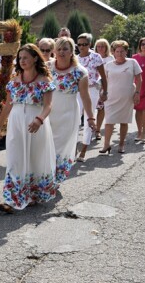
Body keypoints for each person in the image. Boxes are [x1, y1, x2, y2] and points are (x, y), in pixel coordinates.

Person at [0, 44, 56, 213]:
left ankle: (33, 194)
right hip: (16, 122)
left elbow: (48, 106)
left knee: (35, 157)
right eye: (20, 58)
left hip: (35, 123)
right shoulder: (14, 81)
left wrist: (39, 119)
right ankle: (12, 199)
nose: (22, 61)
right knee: (15, 158)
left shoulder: (44, 80)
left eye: (25, 57)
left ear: (35, 58)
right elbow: (7, 106)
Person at [48, 37, 96, 183]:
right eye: (59, 49)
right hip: (48, 112)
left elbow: (85, 97)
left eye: (65, 49)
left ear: (71, 51)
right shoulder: (46, 67)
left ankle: (55, 178)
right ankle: (45, 176)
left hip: (68, 113)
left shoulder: (80, 71)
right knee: (46, 145)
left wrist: (90, 117)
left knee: (60, 148)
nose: (62, 52)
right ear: (54, 51)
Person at [100, 40, 142, 154]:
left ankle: (121, 144)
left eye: (122, 51)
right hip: (110, 97)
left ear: (126, 52)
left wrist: (137, 93)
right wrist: (102, 93)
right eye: (117, 51)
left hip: (127, 97)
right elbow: (105, 81)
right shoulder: (108, 65)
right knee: (109, 121)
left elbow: (139, 79)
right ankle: (106, 145)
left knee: (124, 121)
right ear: (113, 52)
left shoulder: (132, 62)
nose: (119, 53)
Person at [76, 33, 108, 162]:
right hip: (77, 92)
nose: (82, 47)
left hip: (92, 90)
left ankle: (83, 150)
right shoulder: (75, 58)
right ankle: (73, 147)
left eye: (85, 44)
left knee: (89, 118)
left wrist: (105, 92)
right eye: (79, 44)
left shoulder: (96, 57)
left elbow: (103, 76)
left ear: (90, 44)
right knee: (75, 119)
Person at [94, 38, 115, 140]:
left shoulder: (111, 59)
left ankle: (98, 130)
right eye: (98, 46)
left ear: (106, 47)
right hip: (94, 87)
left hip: (106, 87)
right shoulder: (93, 57)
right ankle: (91, 129)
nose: (100, 48)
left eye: (103, 46)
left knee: (101, 109)